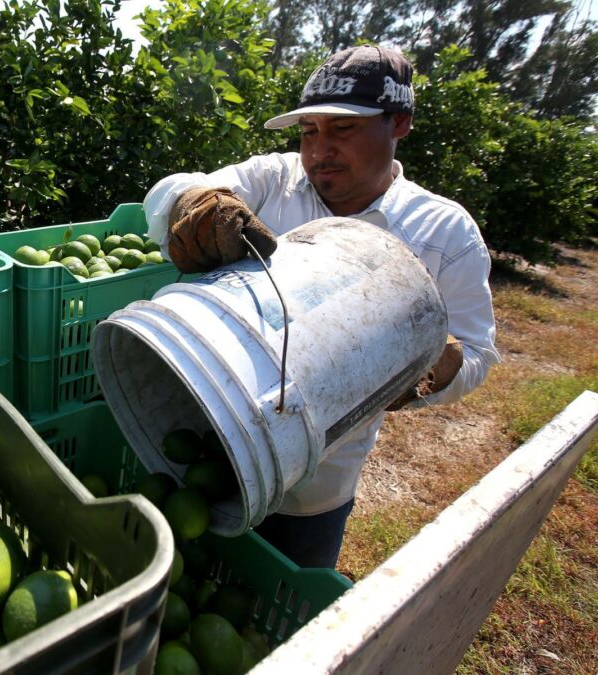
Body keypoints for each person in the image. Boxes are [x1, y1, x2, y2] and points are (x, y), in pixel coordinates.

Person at [142, 45, 500, 568]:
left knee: (283, 603)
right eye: (309, 131)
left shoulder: (443, 233)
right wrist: (194, 206)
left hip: (317, 480)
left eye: (343, 129)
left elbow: (477, 354)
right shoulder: (276, 181)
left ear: (399, 123)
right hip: (206, 431)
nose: (318, 151)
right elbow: (174, 191)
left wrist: (428, 366)